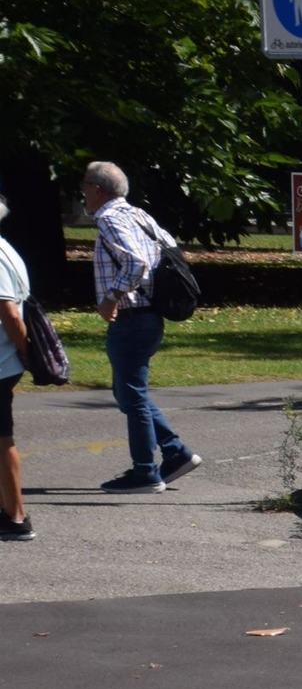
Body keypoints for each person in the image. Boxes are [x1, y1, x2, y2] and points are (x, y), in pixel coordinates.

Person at [83, 161, 201, 494]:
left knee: (132, 397)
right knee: (129, 392)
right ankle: (176, 453)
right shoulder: (139, 214)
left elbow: (137, 262)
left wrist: (111, 297)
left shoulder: (108, 218)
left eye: (84, 187)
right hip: (150, 318)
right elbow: (166, 249)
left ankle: (145, 472)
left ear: (97, 189)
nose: (82, 194)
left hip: (133, 319)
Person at [0, 192, 34, 540]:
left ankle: (16, 516)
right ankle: (8, 509)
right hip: (6, 359)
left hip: (1, 360)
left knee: (1, 438)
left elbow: (8, 311)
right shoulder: (7, 248)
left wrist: (25, 349)